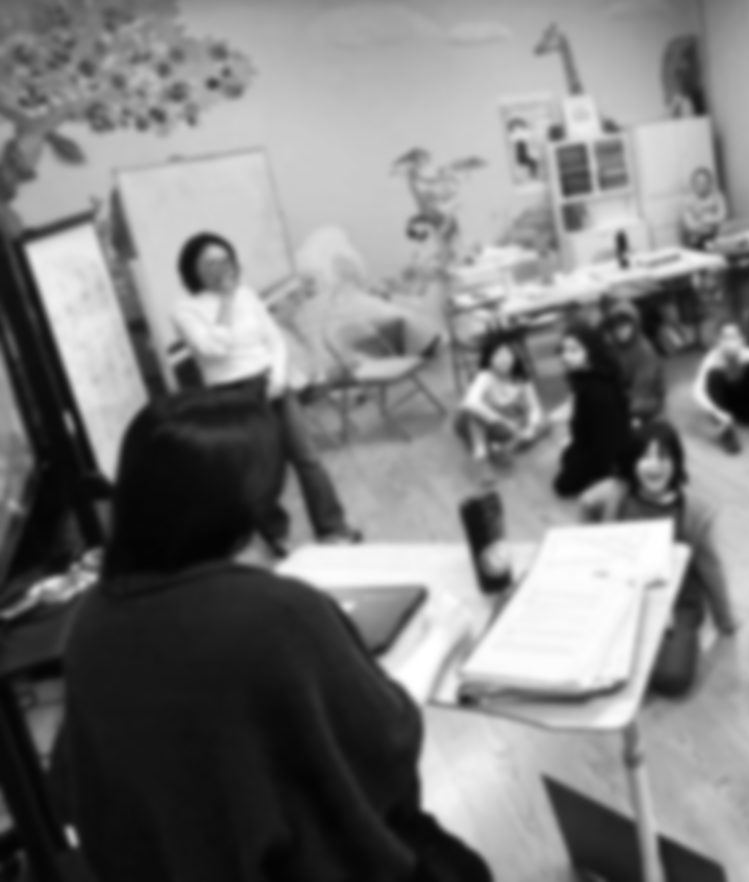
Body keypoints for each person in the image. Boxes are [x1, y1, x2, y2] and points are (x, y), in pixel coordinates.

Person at [51, 391, 492, 882]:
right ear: (246, 502)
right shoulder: (277, 616)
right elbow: (390, 739)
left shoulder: (88, 622)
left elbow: (77, 787)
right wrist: (441, 639)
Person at [171, 232, 360, 554]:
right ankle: (277, 535)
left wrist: (278, 375)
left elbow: (274, 339)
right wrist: (226, 301)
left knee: (308, 458)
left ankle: (332, 528)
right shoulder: (185, 310)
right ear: (192, 269)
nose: (220, 268)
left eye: (225, 260)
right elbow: (214, 349)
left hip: (272, 382)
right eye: (210, 263)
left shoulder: (247, 294)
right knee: (256, 470)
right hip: (231, 394)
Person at [580, 421, 737, 696]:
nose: (654, 465)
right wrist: (594, 547)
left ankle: (637, 653)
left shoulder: (692, 509)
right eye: (645, 456)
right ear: (632, 462)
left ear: (676, 462)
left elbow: (710, 567)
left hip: (677, 599)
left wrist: (725, 620)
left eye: (663, 456)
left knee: (673, 677)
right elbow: (586, 503)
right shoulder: (618, 491)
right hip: (626, 591)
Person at [293, 225, 442, 383]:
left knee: (394, 312)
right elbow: (358, 276)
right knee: (393, 313)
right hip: (347, 314)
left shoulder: (315, 269)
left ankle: (417, 344)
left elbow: (359, 280)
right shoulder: (331, 285)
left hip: (346, 314)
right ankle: (420, 345)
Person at [553, 322, 633, 498]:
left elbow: (607, 439)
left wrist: (605, 473)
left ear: (591, 351)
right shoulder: (586, 375)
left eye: (574, 350)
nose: (566, 356)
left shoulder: (598, 391)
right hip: (589, 440)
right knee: (567, 456)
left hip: (603, 448)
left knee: (562, 486)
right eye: (564, 350)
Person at [456, 331, 548, 469]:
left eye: (507, 354)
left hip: (505, 418)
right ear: (489, 358)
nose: (504, 359)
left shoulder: (520, 376)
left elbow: (535, 407)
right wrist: (503, 422)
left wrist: (531, 426)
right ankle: (482, 450)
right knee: (471, 414)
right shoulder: (485, 376)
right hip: (480, 421)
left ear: (514, 356)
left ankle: (501, 446)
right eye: (498, 355)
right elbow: (469, 402)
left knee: (542, 423)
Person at [693, 322, 749, 454]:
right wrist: (715, 411)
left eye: (734, 337)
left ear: (743, 339)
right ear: (718, 340)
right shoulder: (711, 360)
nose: (730, 341)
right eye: (725, 337)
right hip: (725, 405)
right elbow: (697, 390)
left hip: (747, 405)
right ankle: (725, 431)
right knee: (714, 375)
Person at [601, 298, 667, 425]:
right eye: (616, 327)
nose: (621, 331)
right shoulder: (615, 347)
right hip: (627, 393)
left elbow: (642, 388)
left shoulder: (644, 350)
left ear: (635, 324)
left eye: (625, 325)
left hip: (649, 397)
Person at [681, 166, 729, 249]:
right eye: (698, 183)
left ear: (710, 183)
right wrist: (709, 220)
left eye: (704, 182)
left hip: (718, 236)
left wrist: (706, 219)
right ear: (693, 184)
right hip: (698, 240)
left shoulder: (717, 196)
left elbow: (722, 217)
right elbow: (691, 226)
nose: (701, 186)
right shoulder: (688, 202)